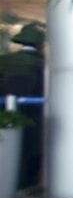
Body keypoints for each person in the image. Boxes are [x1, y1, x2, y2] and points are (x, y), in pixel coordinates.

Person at [0, 22, 45, 189]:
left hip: (5, 117)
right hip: (34, 116)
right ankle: (25, 188)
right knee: (31, 152)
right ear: (40, 45)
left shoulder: (5, 60)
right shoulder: (42, 64)